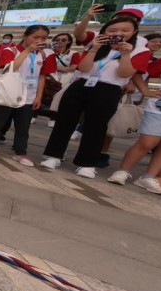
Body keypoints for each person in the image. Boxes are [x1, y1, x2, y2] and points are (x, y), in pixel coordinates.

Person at [41, 15, 150, 177]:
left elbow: (124, 73)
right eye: (113, 30)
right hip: (82, 84)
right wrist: (93, 49)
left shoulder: (141, 50)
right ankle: (54, 155)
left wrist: (125, 54)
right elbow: (83, 68)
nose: (118, 33)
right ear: (105, 31)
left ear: (134, 32)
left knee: (96, 126)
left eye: (124, 30)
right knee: (65, 121)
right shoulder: (97, 43)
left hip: (109, 89)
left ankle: (86, 163)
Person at [108, 48, 161, 194]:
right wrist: (145, 91)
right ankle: (123, 171)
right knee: (148, 142)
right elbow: (139, 72)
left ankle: (149, 177)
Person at [0, 25, 50, 165]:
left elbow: (42, 76)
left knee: (23, 126)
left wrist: (38, 96)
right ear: (25, 36)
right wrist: (27, 51)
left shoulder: (44, 54)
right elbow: (10, 68)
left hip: (28, 96)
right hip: (6, 95)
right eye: (36, 37)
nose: (39, 40)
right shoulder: (11, 51)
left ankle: (21, 152)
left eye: (43, 38)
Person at [42, 33, 81, 126]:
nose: (59, 42)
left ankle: (53, 118)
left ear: (69, 41)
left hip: (65, 78)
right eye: (57, 39)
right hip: (49, 76)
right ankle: (34, 115)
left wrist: (54, 67)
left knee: (58, 97)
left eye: (63, 40)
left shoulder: (73, 53)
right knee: (43, 94)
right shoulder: (49, 51)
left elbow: (73, 68)